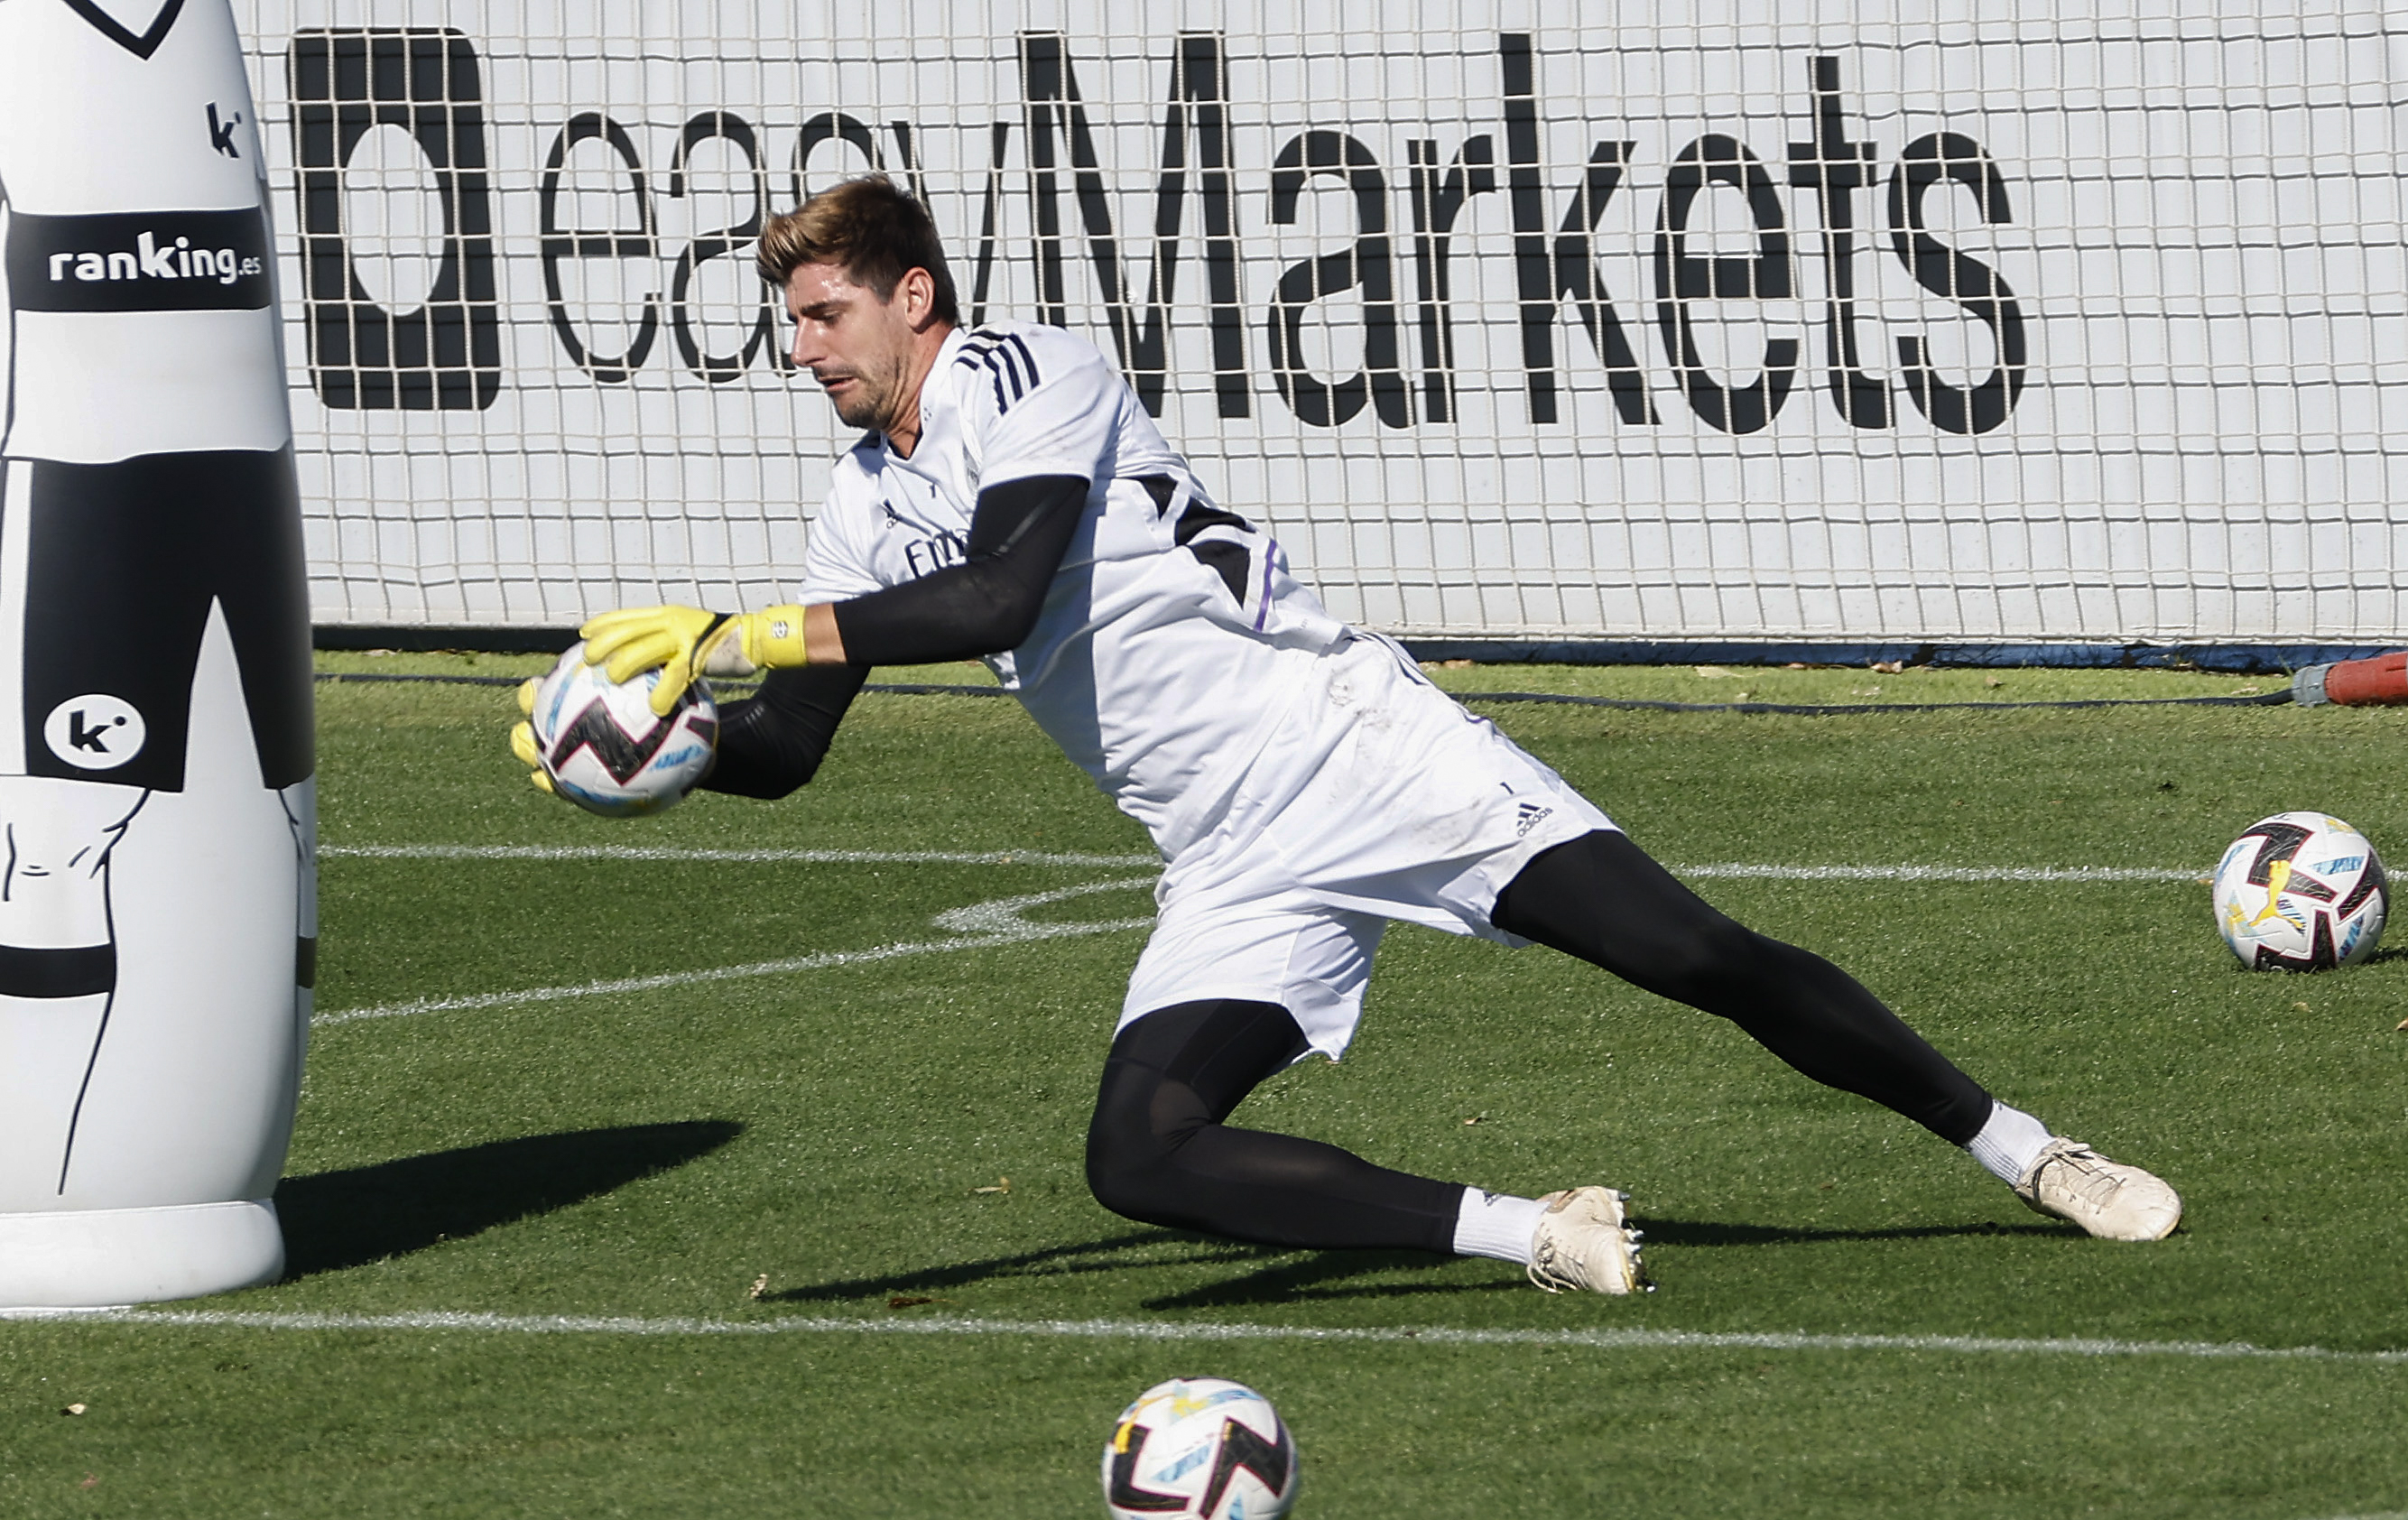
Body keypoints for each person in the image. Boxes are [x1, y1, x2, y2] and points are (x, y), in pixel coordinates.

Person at [514, 176, 2180, 1294]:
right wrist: (668, 744)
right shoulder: (856, 507)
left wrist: (725, 631)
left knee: (1700, 957)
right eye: (788, 325)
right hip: (1230, 854)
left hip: (1365, 748)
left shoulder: (1034, 377)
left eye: (819, 316)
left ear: (912, 296)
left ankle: (2033, 1154)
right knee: (1138, 1156)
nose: (798, 352)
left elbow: (1006, 596)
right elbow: (797, 740)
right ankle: (1532, 1232)